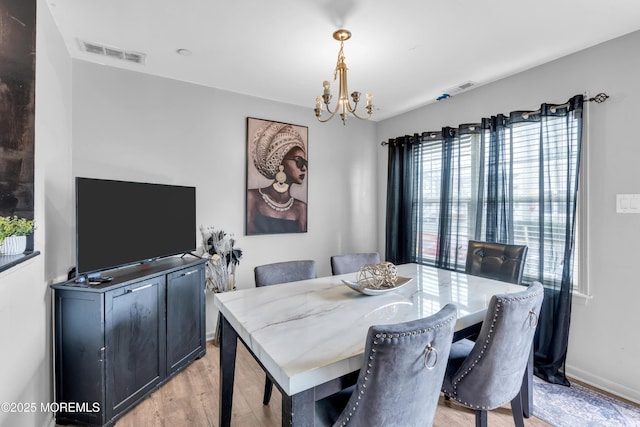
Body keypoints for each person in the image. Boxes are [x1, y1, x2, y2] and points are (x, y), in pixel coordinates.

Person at [247, 122, 308, 234]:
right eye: (298, 161)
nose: (304, 168)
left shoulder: (301, 207)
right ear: (280, 161)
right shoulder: (252, 198)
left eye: (305, 163)